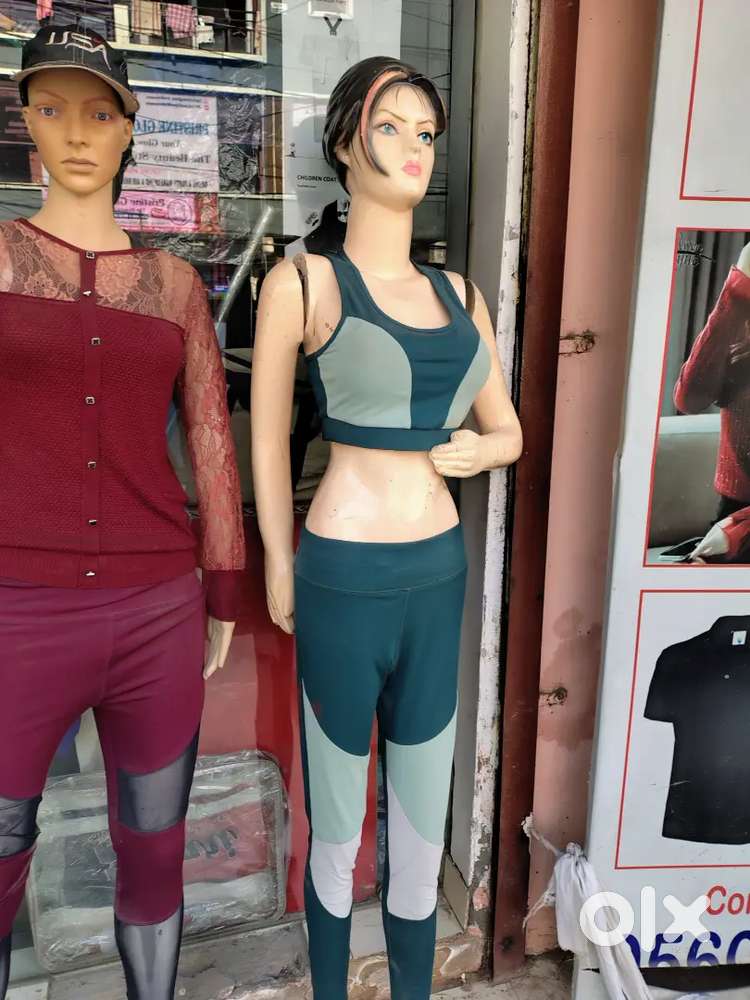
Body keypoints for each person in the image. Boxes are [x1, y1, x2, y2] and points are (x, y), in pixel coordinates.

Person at [251, 57, 522, 1000]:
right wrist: (277, 560)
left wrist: (483, 452)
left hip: (438, 573)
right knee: (336, 822)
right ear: (344, 144)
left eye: (426, 133)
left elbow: (510, 428)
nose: (414, 148)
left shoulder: (463, 297)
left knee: (417, 821)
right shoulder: (302, 282)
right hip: (344, 573)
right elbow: (267, 438)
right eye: (391, 127)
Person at [0, 25, 244, 999]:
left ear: (131, 128)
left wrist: (224, 585)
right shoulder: (0, 263)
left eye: (100, 112)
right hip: (17, 610)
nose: (77, 132)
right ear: (24, 119)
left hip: (157, 610)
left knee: (154, 846)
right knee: (2, 842)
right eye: (53, 107)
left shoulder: (174, 286)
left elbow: (212, 440)